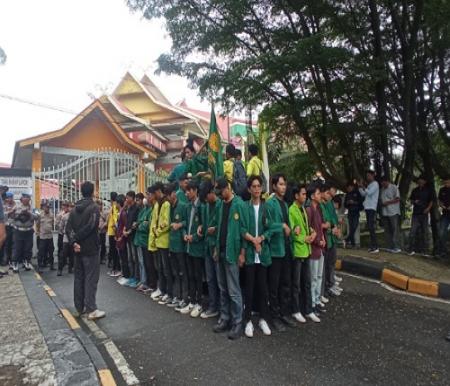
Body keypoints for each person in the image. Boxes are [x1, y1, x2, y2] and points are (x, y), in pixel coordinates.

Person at [212, 177, 247, 340]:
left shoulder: (239, 204)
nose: (219, 195)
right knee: (223, 288)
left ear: (228, 188)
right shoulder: (220, 205)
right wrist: (215, 249)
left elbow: (244, 231)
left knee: (234, 290)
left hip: (233, 253)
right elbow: (220, 228)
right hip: (221, 252)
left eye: (221, 191)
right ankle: (225, 318)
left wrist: (242, 253)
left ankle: (237, 322)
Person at [66, 181, 104, 320]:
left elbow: (68, 229)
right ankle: (91, 309)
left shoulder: (74, 209)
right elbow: (91, 226)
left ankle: (79, 308)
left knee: (79, 278)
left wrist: (74, 242)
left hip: (78, 249)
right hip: (90, 249)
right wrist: (76, 239)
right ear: (93, 191)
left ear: (81, 191)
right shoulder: (94, 208)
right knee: (91, 279)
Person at [266, 173, 296, 331]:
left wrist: (292, 229)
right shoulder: (270, 204)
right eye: (280, 184)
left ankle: (285, 313)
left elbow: (289, 227)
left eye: (284, 184)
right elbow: (267, 225)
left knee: (286, 283)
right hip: (275, 251)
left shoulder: (285, 204)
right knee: (274, 285)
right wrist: (281, 227)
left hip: (286, 249)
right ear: (274, 186)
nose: (283, 187)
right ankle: (275, 316)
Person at [243, 175, 272, 337]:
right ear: (249, 189)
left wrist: (260, 238)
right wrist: (252, 239)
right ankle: (247, 321)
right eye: (253, 186)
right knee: (249, 289)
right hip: (249, 254)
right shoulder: (245, 207)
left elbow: (270, 229)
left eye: (258, 186)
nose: (256, 189)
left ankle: (263, 319)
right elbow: (241, 229)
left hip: (262, 254)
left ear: (261, 188)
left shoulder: (266, 207)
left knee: (263, 288)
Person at [289, 184, 317, 324]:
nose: (305, 196)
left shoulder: (302, 209)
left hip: (306, 250)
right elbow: (293, 232)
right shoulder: (292, 210)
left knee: (307, 282)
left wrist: (311, 231)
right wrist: (303, 238)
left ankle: (308, 309)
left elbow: (304, 226)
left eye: (305, 194)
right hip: (298, 251)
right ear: (296, 196)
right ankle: (296, 310)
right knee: (296, 284)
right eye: (303, 194)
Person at [181, 180, 205, 317]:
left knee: (197, 276)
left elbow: (203, 228)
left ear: (195, 190)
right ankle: (192, 301)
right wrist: (185, 235)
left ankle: (199, 303)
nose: (187, 193)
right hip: (188, 247)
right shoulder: (187, 207)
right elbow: (184, 225)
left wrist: (194, 237)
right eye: (186, 191)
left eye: (189, 190)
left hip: (197, 248)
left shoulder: (201, 206)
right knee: (190, 275)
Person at [198, 180, 220, 319]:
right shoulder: (206, 206)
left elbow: (226, 226)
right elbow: (204, 223)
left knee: (221, 281)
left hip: (217, 247)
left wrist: (216, 229)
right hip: (207, 246)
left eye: (207, 197)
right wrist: (201, 226)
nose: (206, 200)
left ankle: (223, 309)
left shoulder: (220, 204)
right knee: (210, 279)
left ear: (212, 192)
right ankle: (213, 306)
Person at [305, 184, 325, 323]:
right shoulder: (309, 210)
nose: (320, 195)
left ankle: (317, 301)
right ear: (312, 196)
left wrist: (323, 239)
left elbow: (320, 227)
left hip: (320, 248)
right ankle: (311, 304)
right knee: (313, 279)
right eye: (318, 193)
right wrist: (318, 240)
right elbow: (309, 229)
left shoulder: (318, 209)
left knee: (318, 276)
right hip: (313, 249)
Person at [167, 183, 188, 309]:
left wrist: (179, 225)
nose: (168, 199)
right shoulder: (170, 207)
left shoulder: (183, 206)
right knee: (175, 272)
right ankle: (177, 295)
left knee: (183, 272)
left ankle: (184, 297)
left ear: (174, 194)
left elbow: (187, 221)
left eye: (169, 196)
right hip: (172, 244)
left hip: (181, 245)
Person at [320, 185, 342, 299]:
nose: (330, 196)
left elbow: (332, 218)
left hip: (331, 237)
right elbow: (324, 221)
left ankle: (330, 284)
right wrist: (331, 227)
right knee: (326, 266)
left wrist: (335, 227)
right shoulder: (321, 205)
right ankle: (327, 287)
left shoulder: (327, 203)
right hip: (326, 238)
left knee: (331, 262)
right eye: (328, 193)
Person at [11, 193, 38, 273]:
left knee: (28, 248)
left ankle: (27, 262)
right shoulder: (16, 207)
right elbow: (11, 216)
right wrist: (19, 214)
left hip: (28, 231)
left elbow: (37, 217)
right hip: (18, 231)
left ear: (29, 199)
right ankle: (14, 263)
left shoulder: (33, 208)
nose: (26, 199)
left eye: (27, 198)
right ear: (21, 199)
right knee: (17, 248)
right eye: (24, 198)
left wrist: (29, 213)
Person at [408, 176, 434, 255]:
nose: (420, 181)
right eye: (419, 180)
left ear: (424, 181)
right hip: (416, 213)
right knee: (413, 231)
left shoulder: (428, 190)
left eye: (422, 180)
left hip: (424, 213)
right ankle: (411, 249)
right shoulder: (415, 190)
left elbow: (431, 201)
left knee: (425, 232)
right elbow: (411, 200)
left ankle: (425, 251)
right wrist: (414, 201)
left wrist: (428, 208)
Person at [359, 170, 380, 253]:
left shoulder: (375, 184)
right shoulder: (370, 185)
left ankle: (375, 247)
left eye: (368, 175)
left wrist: (363, 187)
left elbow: (370, 193)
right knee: (370, 227)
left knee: (371, 227)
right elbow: (364, 194)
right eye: (366, 176)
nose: (367, 177)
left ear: (372, 175)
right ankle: (373, 246)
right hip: (367, 207)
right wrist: (360, 187)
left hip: (372, 207)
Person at [134, 193, 151, 292]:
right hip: (139, 239)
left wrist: (139, 225)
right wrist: (139, 224)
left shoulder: (150, 210)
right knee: (140, 262)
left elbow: (146, 224)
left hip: (144, 240)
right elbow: (140, 222)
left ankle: (145, 282)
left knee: (144, 262)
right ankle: (142, 280)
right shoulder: (143, 210)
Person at [380, 176, 402, 253]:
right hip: (385, 212)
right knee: (387, 230)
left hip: (393, 212)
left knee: (394, 229)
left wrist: (388, 203)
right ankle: (390, 246)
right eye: (382, 183)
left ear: (387, 181)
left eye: (383, 183)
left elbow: (398, 199)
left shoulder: (394, 187)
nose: (383, 184)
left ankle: (397, 246)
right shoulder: (382, 189)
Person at [123, 191, 140, 288]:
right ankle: (132, 276)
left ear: (132, 198)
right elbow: (128, 222)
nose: (126, 200)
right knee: (130, 258)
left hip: (134, 237)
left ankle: (136, 278)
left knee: (135, 258)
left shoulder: (136, 209)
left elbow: (135, 223)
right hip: (128, 237)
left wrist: (129, 231)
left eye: (128, 198)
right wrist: (125, 229)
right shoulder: (129, 209)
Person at [36, 201, 55, 273]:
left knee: (51, 251)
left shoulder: (51, 215)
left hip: (50, 236)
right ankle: (40, 266)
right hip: (42, 236)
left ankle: (52, 265)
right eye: (46, 207)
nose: (47, 208)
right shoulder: (40, 215)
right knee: (41, 252)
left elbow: (52, 223)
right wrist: (38, 232)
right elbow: (37, 225)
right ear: (43, 207)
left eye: (48, 207)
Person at [344, 182, 363, 248]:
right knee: (351, 227)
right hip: (350, 212)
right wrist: (348, 203)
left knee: (354, 226)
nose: (348, 189)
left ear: (352, 187)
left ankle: (347, 239)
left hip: (356, 211)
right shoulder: (347, 194)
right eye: (347, 188)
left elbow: (361, 202)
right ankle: (353, 243)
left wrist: (354, 202)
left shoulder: (357, 193)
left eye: (349, 187)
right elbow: (345, 204)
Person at [57, 202, 74, 276]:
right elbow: (61, 227)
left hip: (74, 238)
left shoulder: (77, 217)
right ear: (68, 208)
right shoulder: (64, 217)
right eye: (70, 207)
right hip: (66, 238)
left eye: (73, 207)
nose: (72, 208)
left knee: (72, 255)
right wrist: (64, 233)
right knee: (63, 254)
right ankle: (60, 269)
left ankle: (70, 268)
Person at [116, 195, 129, 285]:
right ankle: (124, 274)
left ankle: (126, 276)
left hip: (122, 238)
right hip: (119, 237)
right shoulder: (120, 212)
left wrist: (121, 236)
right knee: (122, 257)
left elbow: (125, 225)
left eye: (116, 203)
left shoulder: (123, 213)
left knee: (124, 258)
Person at [437, 177, 450, 259]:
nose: (446, 184)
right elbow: (439, 200)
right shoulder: (442, 190)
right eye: (445, 182)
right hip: (445, 214)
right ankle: (442, 251)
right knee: (441, 232)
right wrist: (441, 205)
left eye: (448, 182)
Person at [2, 191, 16, 268]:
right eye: (8, 198)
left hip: (13, 227)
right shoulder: (3, 205)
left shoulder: (15, 205)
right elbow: (4, 215)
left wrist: (11, 213)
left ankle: (12, 260)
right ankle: (6, 260)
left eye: (11, 197)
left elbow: (15, 215)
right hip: (6, 227)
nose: (10, 199)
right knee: (6, 244)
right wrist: (10, 212)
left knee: (13, 244)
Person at [106, 192, 119, 271]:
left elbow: (115, 219)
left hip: (113, 231)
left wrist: (114, 229)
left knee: (114, 250)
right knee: (113, 250)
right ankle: (114, 267)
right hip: (112, 231)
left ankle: (115, 268)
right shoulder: (113, 206)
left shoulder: (114, 207)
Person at [98, 200, 108, 264]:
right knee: (97, 245)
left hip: (103, 231)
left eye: (100, 205)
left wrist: (103, 226)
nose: (99, 206)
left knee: (103, 245)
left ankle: (102, 257)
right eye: (98, 205)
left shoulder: (104, 213)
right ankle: (98, 258)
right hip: (96, 232)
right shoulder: (94, 212)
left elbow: (107, 221)